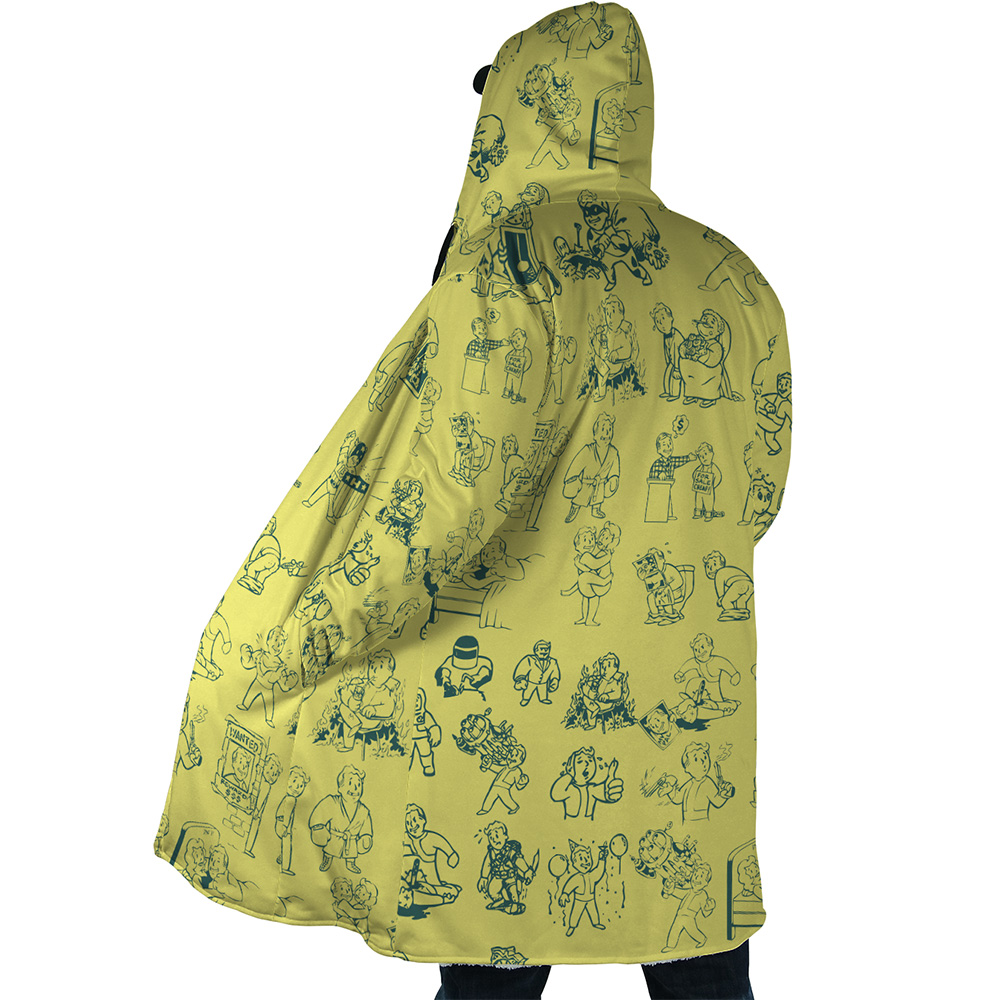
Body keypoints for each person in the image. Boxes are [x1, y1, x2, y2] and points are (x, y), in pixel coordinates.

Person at [154, 6, 791, 1000]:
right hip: (685, 723)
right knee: (704, 977)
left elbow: (440, 505)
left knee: (491, 973)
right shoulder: (733, 276)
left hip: (510, 734)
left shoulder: (511, 261)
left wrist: (301, 637)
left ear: (520, 109)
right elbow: (757, 490)